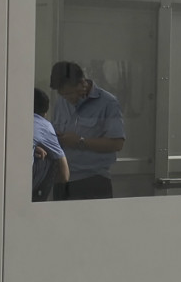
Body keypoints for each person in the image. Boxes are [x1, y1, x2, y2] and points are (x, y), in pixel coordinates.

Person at [48, 60, 126, 199]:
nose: (67, 98)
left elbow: (117, 143)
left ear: (82, 83)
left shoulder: (108, 103)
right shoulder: (61, 102)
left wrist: (81, 141)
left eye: (70, 93)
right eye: (63, 94)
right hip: (62, 179)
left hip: (92, 180)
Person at [32, 87, 68, 201]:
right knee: (52, 157)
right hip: (21, 183)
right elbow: (64, 175)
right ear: (45, 113)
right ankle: (37, 202)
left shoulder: (8, 120)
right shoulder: (44, 125)